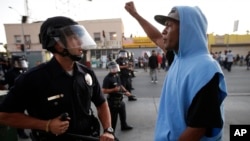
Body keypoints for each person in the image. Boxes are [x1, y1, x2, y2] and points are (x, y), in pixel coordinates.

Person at [0, 16, 114, 141]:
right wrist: (46, 125)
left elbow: (101, 103)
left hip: (88, 137)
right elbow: (5, 116)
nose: (80, 42)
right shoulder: (32, 79)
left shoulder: (87, 73)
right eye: (74, 38)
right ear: (58, 44)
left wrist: (108, 130)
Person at [125, 2, 227, 141]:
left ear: (187, 29)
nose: (163, 31)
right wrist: (136, 15)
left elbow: (198, 128)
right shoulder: (178, 58)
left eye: (169, 25)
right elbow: (156, 37)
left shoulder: (206, 69)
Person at [102, 61, 133, 140]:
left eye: (115, 67)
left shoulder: (117, 75)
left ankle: (124, 125)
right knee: (113, 119)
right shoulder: (107, 78)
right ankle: (112, 134)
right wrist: (113, 89)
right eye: (113, 68)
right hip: (112, 101)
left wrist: (126, 91)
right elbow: (103, 90)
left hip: (119, 99)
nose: (115, 69)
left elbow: (120, 85)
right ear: (110, 69)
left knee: (123, 112)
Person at [0, 55, 29, 139]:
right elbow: (5, 82)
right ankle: (21, 132)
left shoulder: (24, 70)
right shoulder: (10, 72)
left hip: (25, 95)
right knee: (18, 114)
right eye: (19, 62)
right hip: (15, 96)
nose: (21, 64)